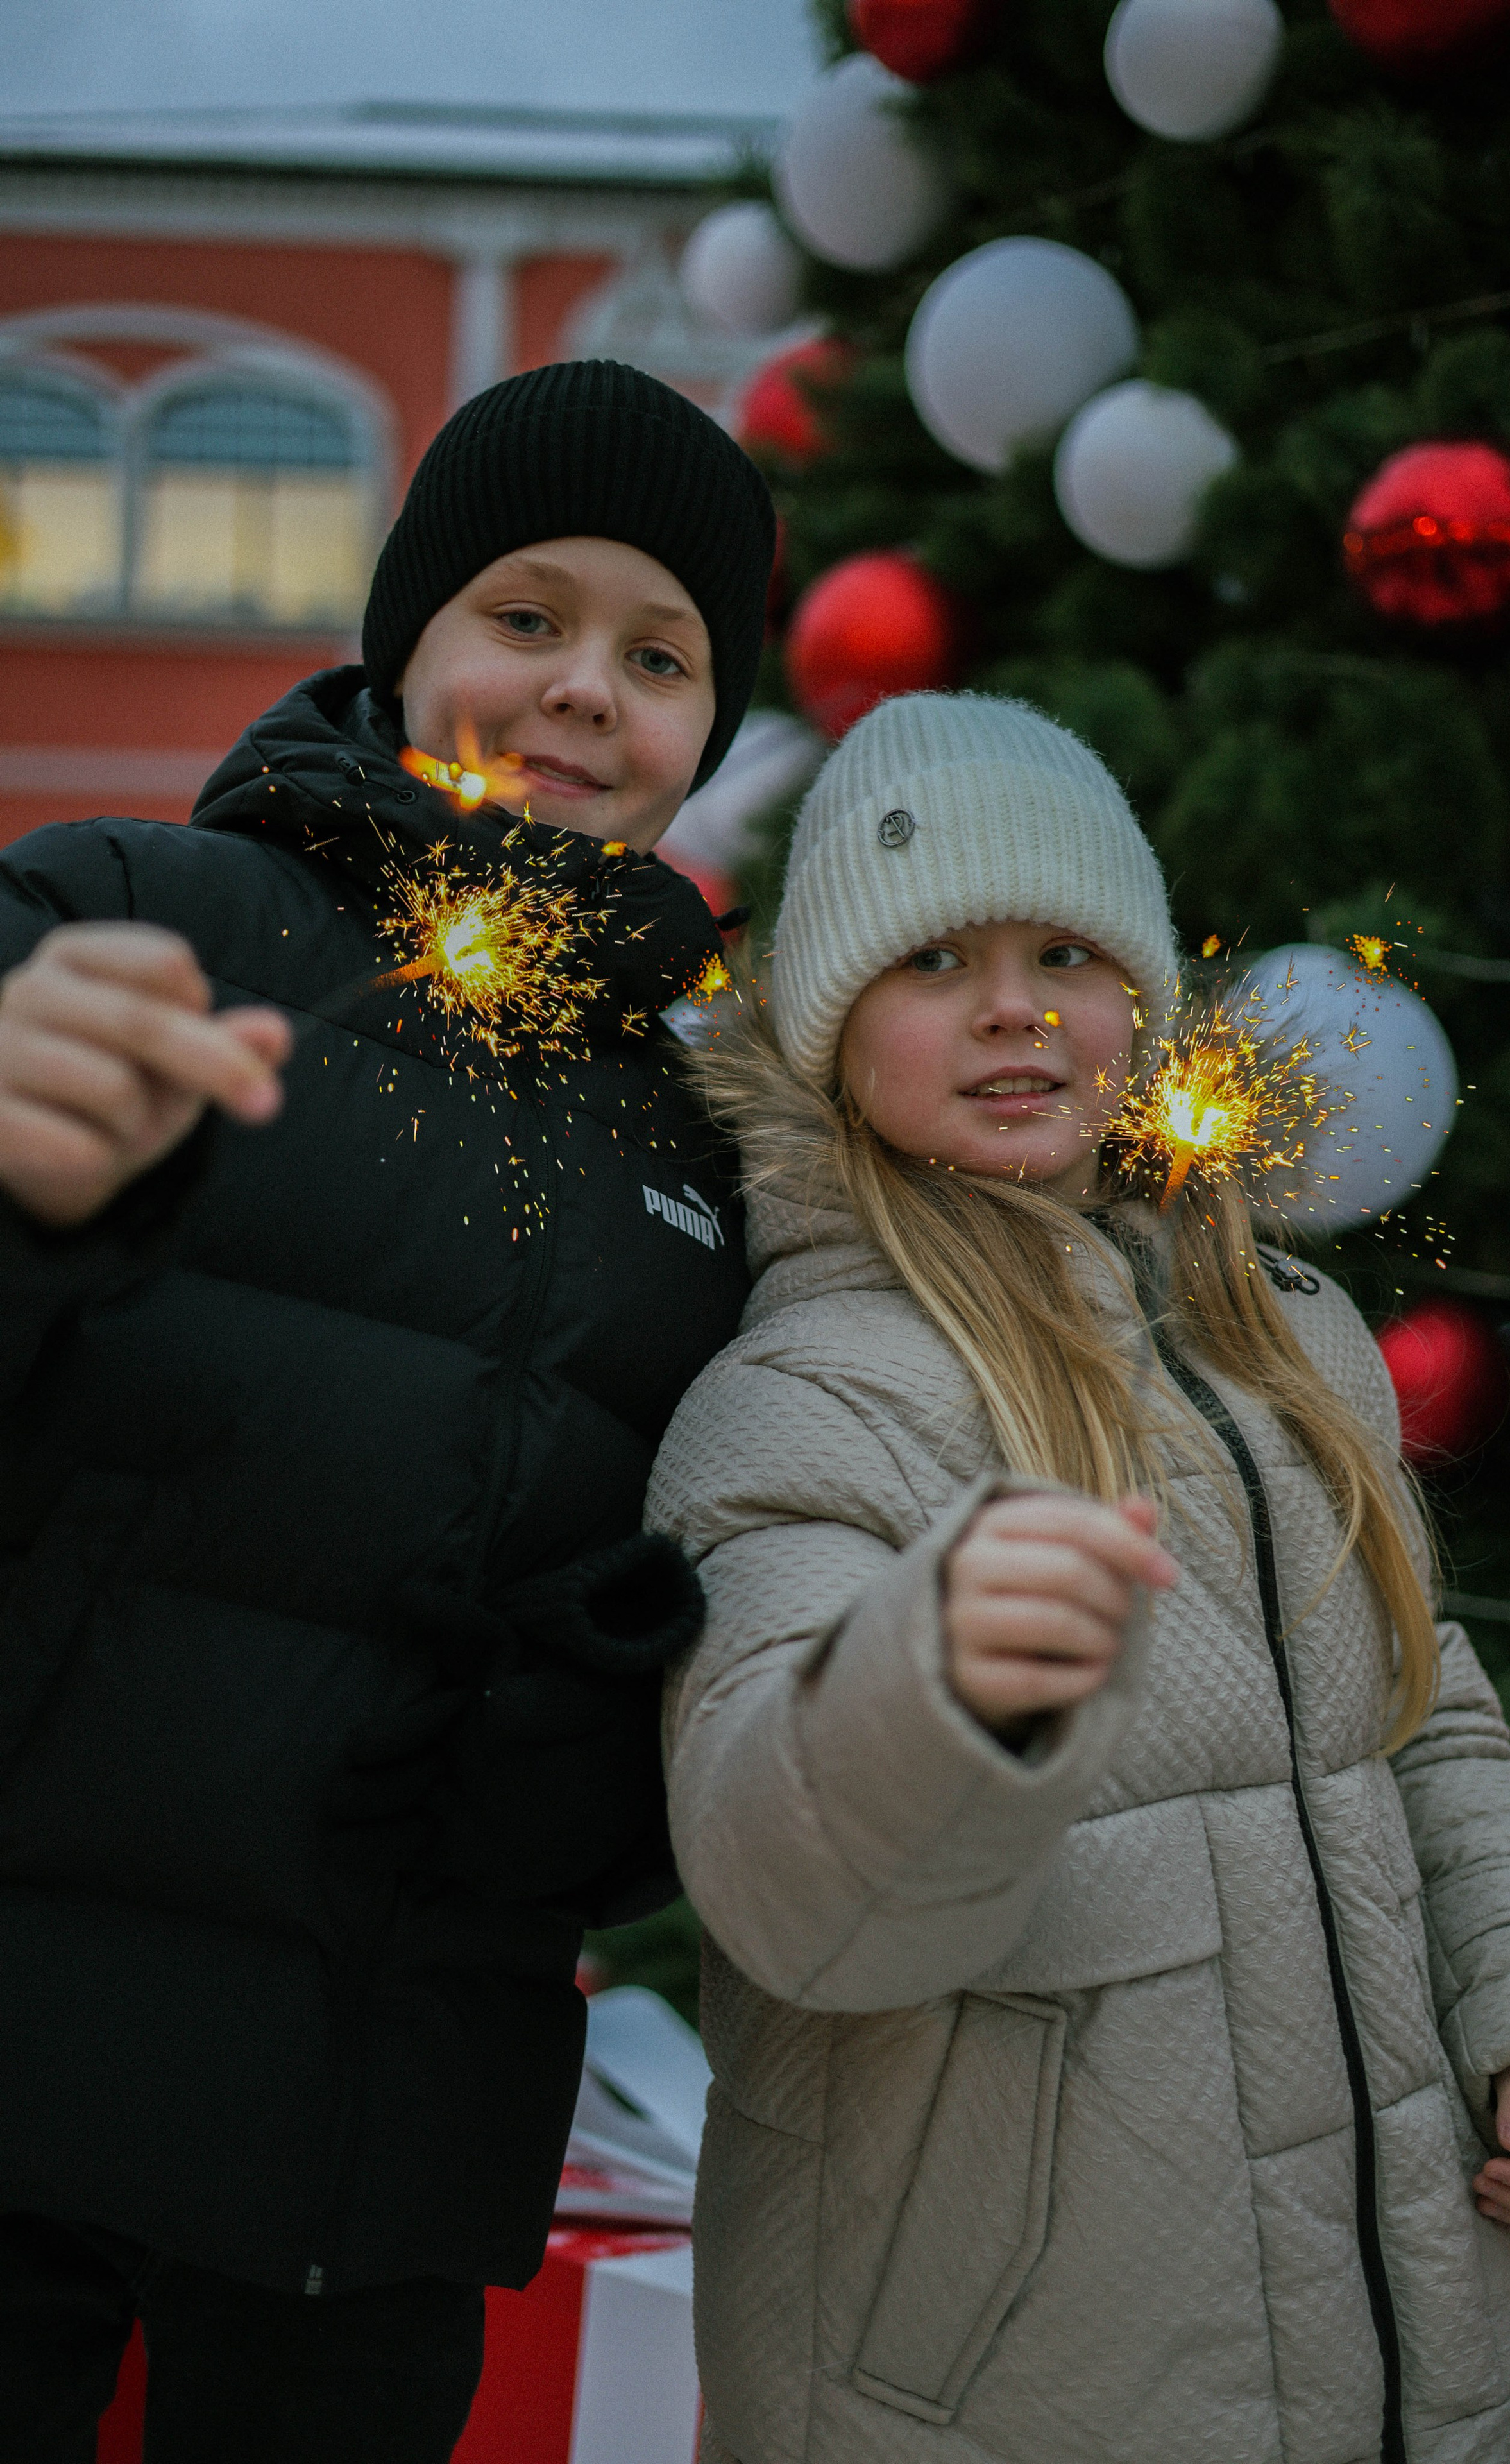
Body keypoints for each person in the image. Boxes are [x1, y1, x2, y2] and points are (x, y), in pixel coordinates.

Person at [647, 690, 1510, 2464]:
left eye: (1066, 952)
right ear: (826, 1028)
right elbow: (787, 1880)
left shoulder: (1288, 1339)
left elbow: (1429, 1719)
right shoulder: (796, 1403)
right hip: (1016, 2385)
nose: (1017, 1002)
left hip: (1408, 2337)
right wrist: (927, 1692)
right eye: (937, 955)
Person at [0, 358, 773, 2463]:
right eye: (525, 617)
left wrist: (599, 1722)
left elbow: (719, 1631)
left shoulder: (721, 1144)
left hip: (380, 2137)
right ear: (409, 635)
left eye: (661, 653)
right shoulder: (132, 916)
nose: (584, 692)